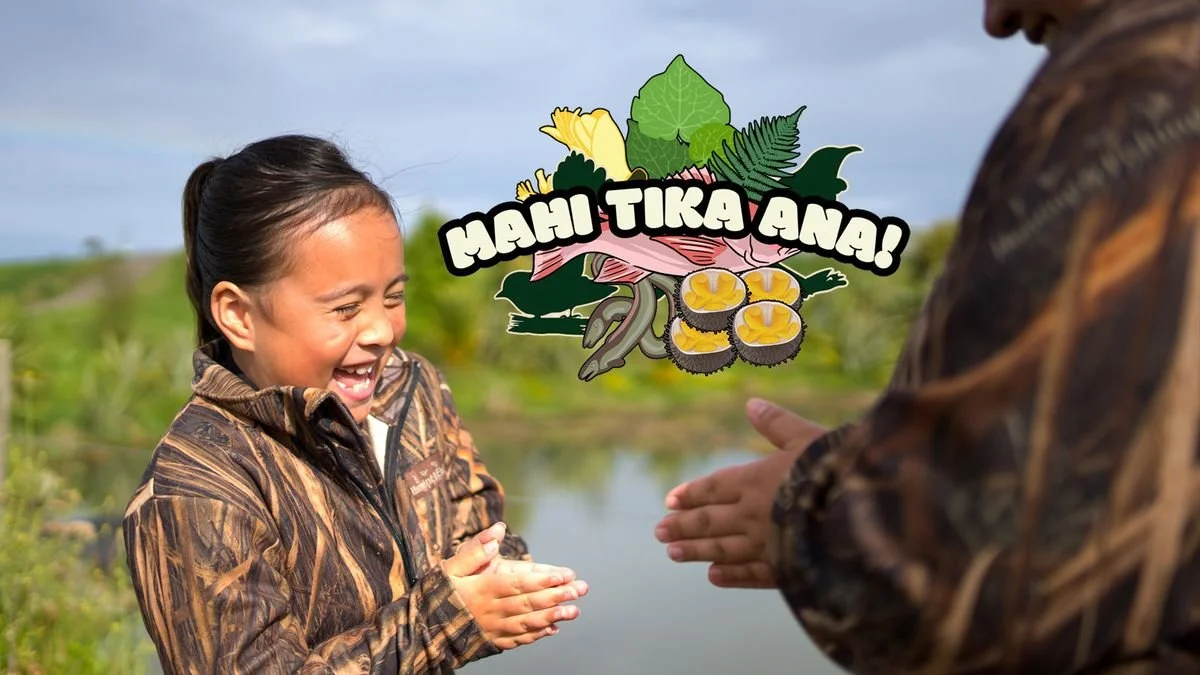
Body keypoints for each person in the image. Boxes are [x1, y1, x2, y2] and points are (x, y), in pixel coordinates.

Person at [655, 0, 1200, 672]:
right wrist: (879, 462)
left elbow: (967, 588)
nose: (997, 19)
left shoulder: (1140, 83)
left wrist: (809, 505)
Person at [123, 134, 589, 674]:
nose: (381, 331)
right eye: (345, 308)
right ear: (238, 315)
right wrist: (443, 623)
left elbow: (478, 517)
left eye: (393, 296)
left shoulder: (410, 387)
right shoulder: (196, 491)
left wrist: (498, 582)